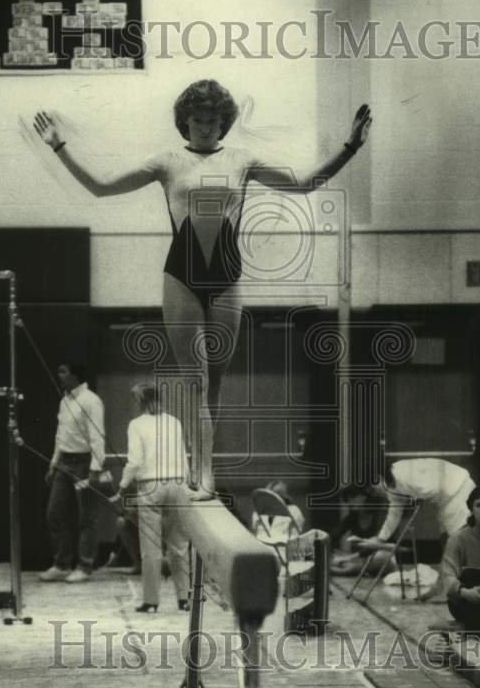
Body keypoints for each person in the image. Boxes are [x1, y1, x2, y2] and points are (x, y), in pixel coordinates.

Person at [32, 82, 372, 498]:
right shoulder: (167, 162)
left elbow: (303, 183)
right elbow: (101, 186)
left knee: (215, 384)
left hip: (227, 276)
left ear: (224, 122)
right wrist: (59, 146)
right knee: (195, 382)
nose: (206, 127)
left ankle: (203, 468)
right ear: (185, 121)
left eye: (213, 120)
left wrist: (351, 147)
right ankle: (203, 474)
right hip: (182, 276)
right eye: (198, 120)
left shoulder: (243, 160)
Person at [110, 381, 190, 613]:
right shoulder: (174, 422)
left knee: (150, 548)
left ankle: (151, 601)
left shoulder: (136, 424)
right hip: (178, 484)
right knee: (179, 545)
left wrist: (122, 486)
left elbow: (134, 461)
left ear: (139, 401)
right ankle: (185, 599)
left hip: (150, 487)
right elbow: (184, 457)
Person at [39, 362, 107, 583]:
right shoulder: (64, 401)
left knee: (86, 517)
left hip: (84, 463)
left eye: (63, 371)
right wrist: (53, 463)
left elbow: (97, 437)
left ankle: (85, 566)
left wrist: (95, 469)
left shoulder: (91, 401)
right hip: (64, 462)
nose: (59, 375)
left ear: (75, 375)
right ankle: (62, 564)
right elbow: (61, 435)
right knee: (55, 514)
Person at [356, 457, 476, 555]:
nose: (375, 494)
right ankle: (452, 570)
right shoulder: (391, 487)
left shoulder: (403, 474)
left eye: (372, 490)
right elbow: (394, 513)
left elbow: (431, 488)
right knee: (445, 537)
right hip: (447, 496)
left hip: (459, 488)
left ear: (377, 478)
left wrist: (415, 499)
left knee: (457, 539)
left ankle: (463, 571)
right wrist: (380, 539)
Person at [439, 484, 480, 632]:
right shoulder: (458, 538)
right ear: (471, 509)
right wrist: (466, 592)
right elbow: (447, 575)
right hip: (466, 600)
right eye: (479, 505)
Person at [330, 484, 394, 577]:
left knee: (381, 556)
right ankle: (356, 569)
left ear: (365, 496)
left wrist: (350, 557)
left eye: (353, 497)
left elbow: (378, 544)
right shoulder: (352, 518)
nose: (350, 501)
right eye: (348, 499)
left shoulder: (380, 515)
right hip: (358, 558)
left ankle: (351, 569)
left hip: (378, 557)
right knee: (336, 555)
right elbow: (334, 536)